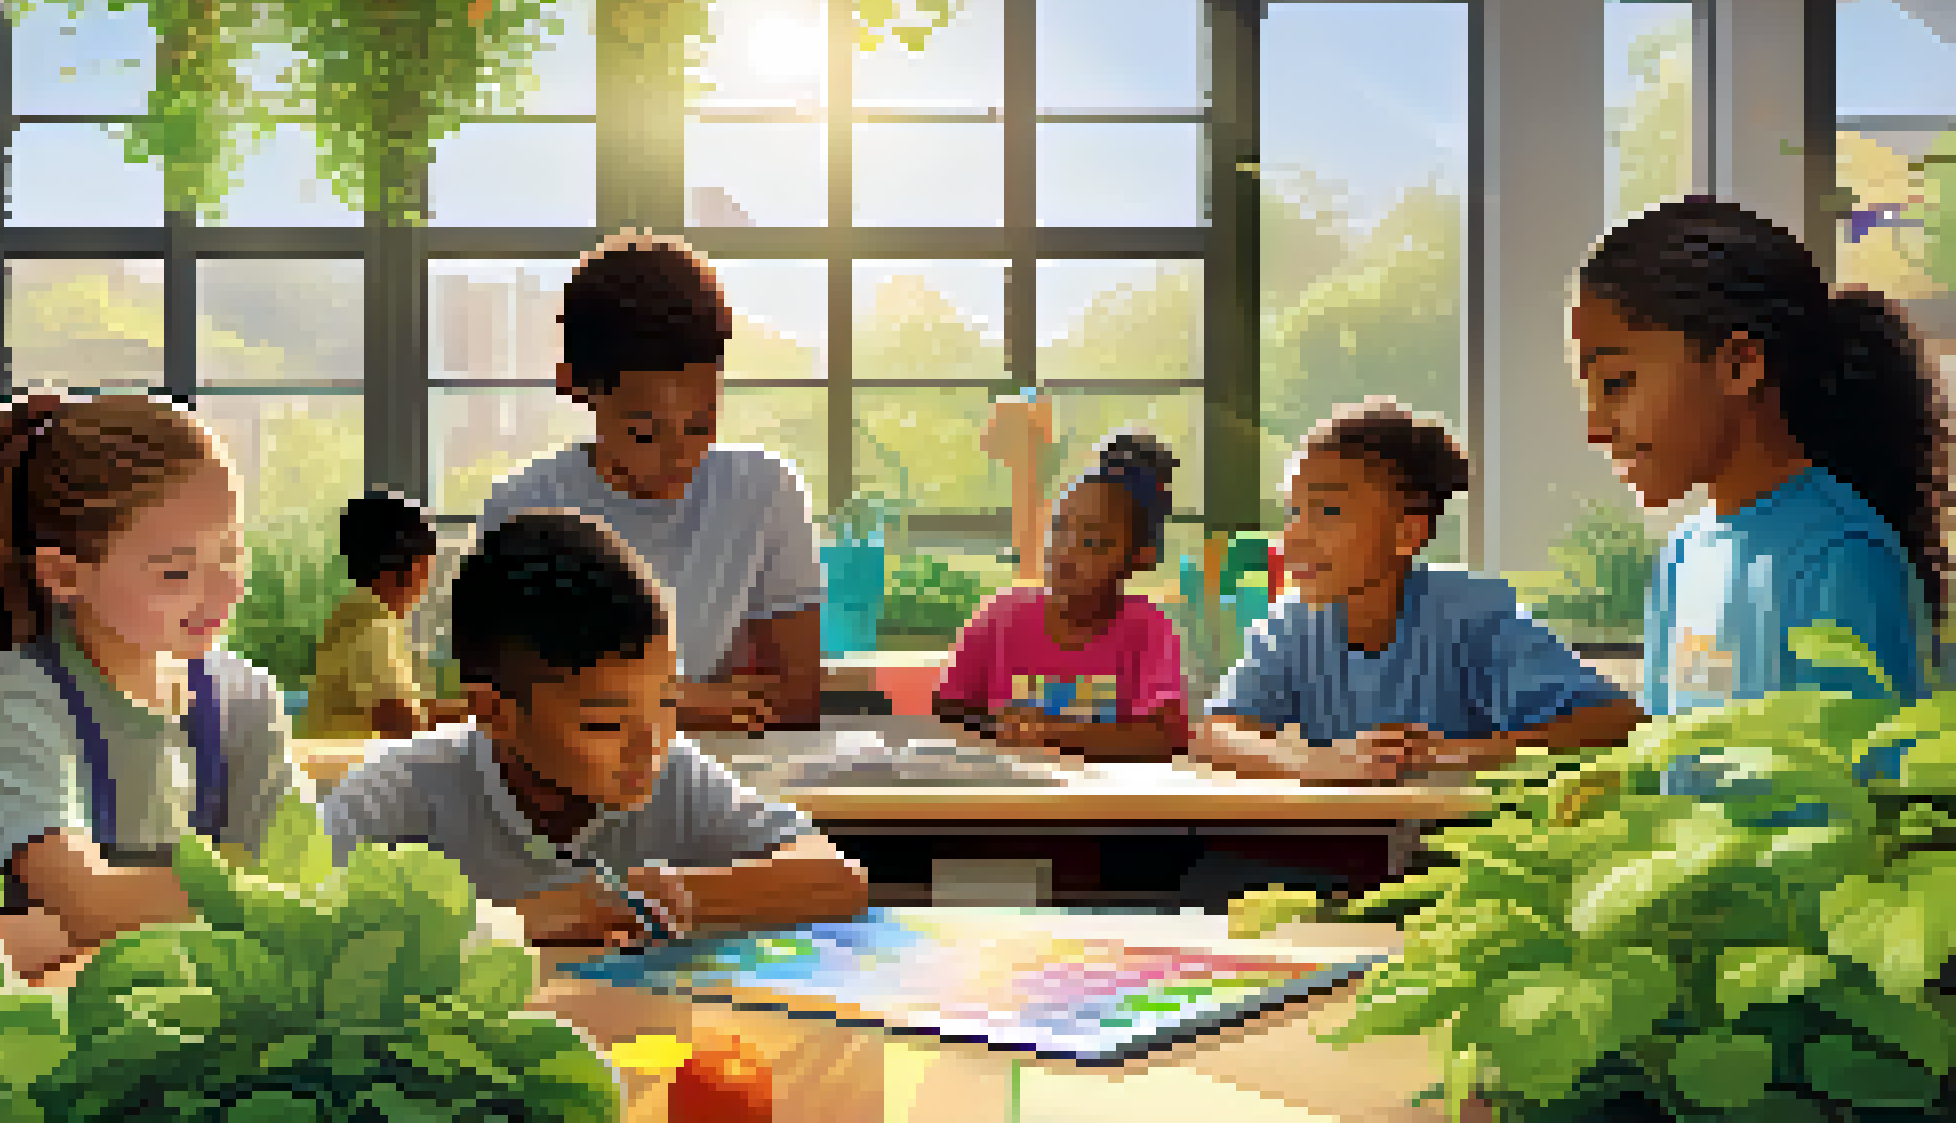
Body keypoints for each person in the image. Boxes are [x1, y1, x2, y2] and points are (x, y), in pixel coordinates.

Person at [0, 391, 311, 985]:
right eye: (176, 572)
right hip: (7, 1026)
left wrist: (54, 932)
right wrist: (250, 900)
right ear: (65, 575)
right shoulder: (13, 701)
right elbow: (89, 904)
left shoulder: (245, 701)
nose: (225, 589)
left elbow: (301, 873)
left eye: (230, 554)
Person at [320, 509, 870, 948]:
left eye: (666, 703)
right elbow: (293, 923)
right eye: (605, 723)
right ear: (494, 713)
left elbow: (839, 879)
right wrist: (519, 920)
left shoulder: (674, 776)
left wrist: (678, 893)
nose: (649, 745)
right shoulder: (401, 790)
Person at [1572, 198, 1949, 771]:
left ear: (1740, 365)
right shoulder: (1681, 557)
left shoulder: (1840, 557)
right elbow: (1667, 759)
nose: (1596, 428)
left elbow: (1871, 791)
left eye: (1617, 382)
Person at [470, 230, 826, 734]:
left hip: (725, 774)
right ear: (575, 386)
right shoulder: (524, 507)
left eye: (701, 425)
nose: (680, 456)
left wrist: (611, 704)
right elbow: (506, 711)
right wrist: (683, 704)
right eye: (644, 432)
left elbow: (796, 702)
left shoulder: (766, 492)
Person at [1193, 399, 1645, 783]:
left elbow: (1616, 722)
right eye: (1293, 512)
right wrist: (1323, 762)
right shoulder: (1291, 625)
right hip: (1351, 838)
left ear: (1407, 534)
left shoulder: (1471, 614)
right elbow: (1216, 735)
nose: (1292, 538)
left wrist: (1448, 754)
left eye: (1327, 511)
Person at [933, 432, 1188, 761]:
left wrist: (1047, 730)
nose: (1065, 551)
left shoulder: (1148, 628)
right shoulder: (1000, 616)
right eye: (1059, 528)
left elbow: (1164, 737)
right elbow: (948, 712)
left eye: (1092, 541)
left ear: (1141, 556)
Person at [303, 491, 470, 740]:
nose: (426, 587)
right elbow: (403, 724)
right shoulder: (374, 628)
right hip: (354, 762)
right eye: (429, 572)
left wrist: (476, 711)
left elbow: (409, 709)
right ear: (415, 569)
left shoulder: (351, 615)